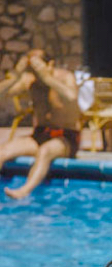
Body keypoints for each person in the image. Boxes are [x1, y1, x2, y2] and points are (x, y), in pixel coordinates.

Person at [0, 49, 81, 199]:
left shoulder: (65, 77)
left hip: (65, 137)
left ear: (50, 64)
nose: (35, 71)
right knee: (3, 151)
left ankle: (24, 191)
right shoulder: (30, 80)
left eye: (38, 65)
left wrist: (47, 78)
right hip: (40, 134)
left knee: (45, 151)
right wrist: (16, 76)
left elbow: (71, 96)